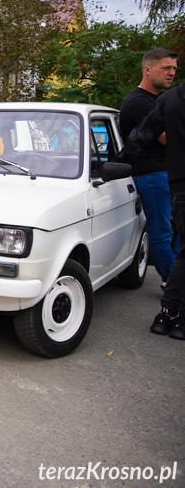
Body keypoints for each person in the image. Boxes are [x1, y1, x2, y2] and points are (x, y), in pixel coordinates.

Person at [120, 49, 179, 286]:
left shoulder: (157, 100)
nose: (172, 73)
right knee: (161, 231)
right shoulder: (139, 102)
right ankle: (172, 282)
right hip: (152, 175)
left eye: (174, 68)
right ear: (147, 69)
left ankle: (175, 275)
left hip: (167, 173)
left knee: (174, 229)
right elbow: (167, 137)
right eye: (166, 68)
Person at [143, 80, 185, 339]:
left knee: (182, 252)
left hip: (179, 184)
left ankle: (167, 314)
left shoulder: (170, 98)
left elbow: (146, 133)